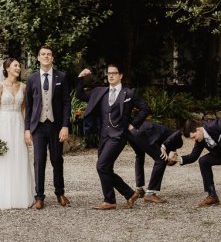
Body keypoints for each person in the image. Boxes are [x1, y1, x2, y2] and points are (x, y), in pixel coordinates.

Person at [76, 65, 150, 210]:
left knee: (101, 166)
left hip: (118, 136)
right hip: (104, 135)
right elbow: (80, 95)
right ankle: (129, 194)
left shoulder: (129, 93)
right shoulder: (100, 92)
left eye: (114, 73)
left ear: (120, 75)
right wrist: (80, 78)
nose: (110, 76)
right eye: (109, 73)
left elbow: (145, 108)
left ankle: (110, 200)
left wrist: (133, 124)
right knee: (106, 168)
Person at [0, 58, 35, 209]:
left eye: (19, 66)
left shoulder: (23, 86)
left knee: (19, 156)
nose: (18, 68)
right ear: (8, 68)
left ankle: (19, 194)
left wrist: (26, 128)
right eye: (15, 65)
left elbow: (24, 108)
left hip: (18, 123)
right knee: (4, 157)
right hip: (4, 123)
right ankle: (1, 194)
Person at [24, 45, 71, 209]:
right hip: (38, 127)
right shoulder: (32, 78)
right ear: (38, 58)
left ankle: (60, 193)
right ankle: (39, 197)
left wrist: (65, 126)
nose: (46, 56)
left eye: (49, 54)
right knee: (39, 161)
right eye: (43, 54)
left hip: (56, 126)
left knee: (57, 160)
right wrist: (27, 129)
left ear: (52, 58)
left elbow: (66, 103)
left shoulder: (62, 77)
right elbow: (28, 106)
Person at [128, 121, 183, 203]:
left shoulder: (162, 146)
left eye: (168, 160)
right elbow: (178, 132)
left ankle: (139, 188)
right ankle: (150, 193)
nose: (167, 158)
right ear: (174, 154)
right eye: (169, 159)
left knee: (140, 156)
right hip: (146, 130)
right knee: (161, 160)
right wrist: (165, 147)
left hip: (133, 132)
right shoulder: (178, 144)